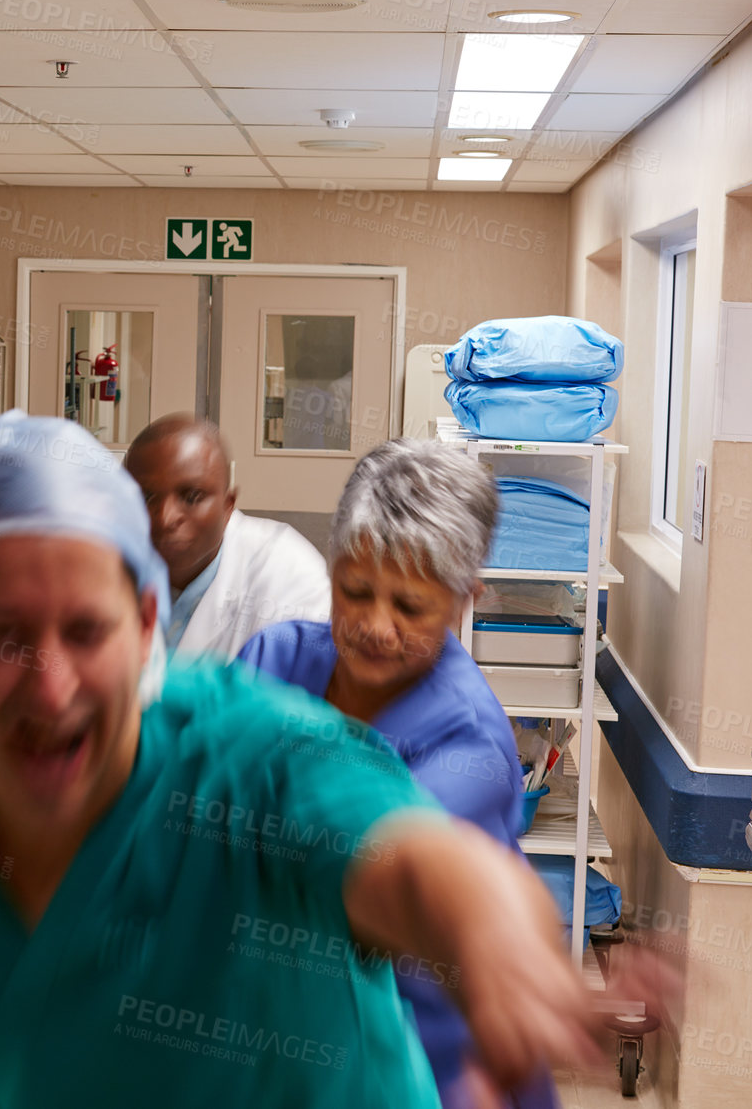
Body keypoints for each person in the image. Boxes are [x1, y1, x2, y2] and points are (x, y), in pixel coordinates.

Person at [0, 410, 639, 1109]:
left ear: (146, 621)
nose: (51, 692)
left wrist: (489, 933)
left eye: (86, 631)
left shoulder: (270, 748)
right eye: (3, 638)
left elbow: (410, 857)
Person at [236, 439, 550, 1109]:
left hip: (429, 1059)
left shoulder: (469, 744)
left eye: (410, 607)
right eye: (355, 592)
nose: (376, 627)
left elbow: (356, 873)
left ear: (466, 598)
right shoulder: (276, 660)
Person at [122, 413, 331, 656]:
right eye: (146, 497)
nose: (165, 518)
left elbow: (288, 689)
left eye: (191, 497)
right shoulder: (98, 560)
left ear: (227, 506)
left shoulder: (286, 572)